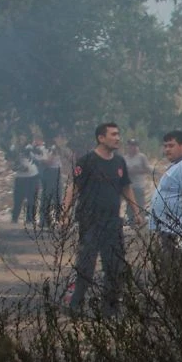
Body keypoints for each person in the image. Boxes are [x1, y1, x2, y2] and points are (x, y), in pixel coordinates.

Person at [63, 122, 144, 314]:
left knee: (114, 266)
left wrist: (137, 212)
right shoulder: (87, 161)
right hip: (89, 222)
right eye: (113, 134)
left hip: (112, 223)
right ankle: (75, 305)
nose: (117, 138)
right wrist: (64, 214)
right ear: (101, 138)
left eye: (118, 134)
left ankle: (110, 308)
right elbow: (73, 188)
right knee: (86, 266)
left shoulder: (119, 162)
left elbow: (126, 187)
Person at [148, 130, 182, 270]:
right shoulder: (177, 165)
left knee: (179, 268)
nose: (167, 149)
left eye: (171, 145)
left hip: (180, 229)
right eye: (165, 146)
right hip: (170, 228)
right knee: (170, 268)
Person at [41, 133, 73, 228]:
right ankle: (44, 221)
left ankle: (60, 220)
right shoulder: (45, 149)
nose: (61, 140)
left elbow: (69, 159)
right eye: (58, 138)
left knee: (58, 198)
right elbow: (47, 162)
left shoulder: (60, 149)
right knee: (47, 197)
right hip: (50, 173)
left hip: (58, 173)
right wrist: (52, 153)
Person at [122, 138, 152, 227]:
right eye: (131, 146)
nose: (133, 148)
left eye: (134, 146)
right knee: (129, 207)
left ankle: (141, 225)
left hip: (139, 186)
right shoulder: (125, 158)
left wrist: (137, 170)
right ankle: (131, 224)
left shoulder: (141, 157)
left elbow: (148, 169)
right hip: (128, 187)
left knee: (139, 206)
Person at [11, 140, 41, 225]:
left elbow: (39, 159)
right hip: (20, 178)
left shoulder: (32, 148)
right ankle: (14, 219)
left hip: (33, 176)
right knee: (18, 200)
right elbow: (12, 164)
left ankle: (30, 220)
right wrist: (20, 168)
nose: (21, 137)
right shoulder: (13, 148)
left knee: (32, 200)